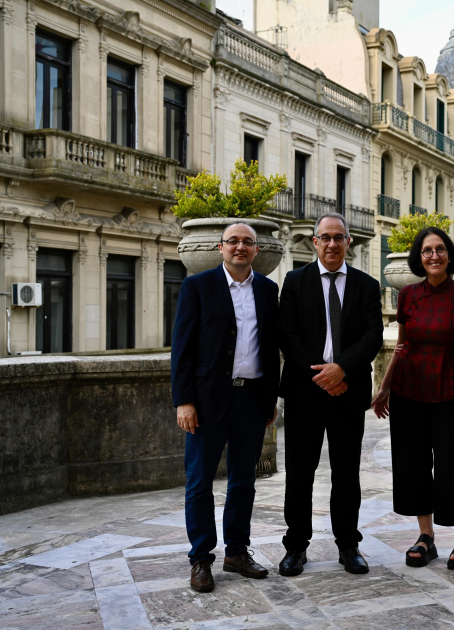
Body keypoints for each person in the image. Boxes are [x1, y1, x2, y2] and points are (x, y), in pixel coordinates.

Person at [170, 223, 280, 593]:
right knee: (199, 482)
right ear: (220, 248)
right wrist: (184, 400)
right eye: (233, 241)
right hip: (205, 401)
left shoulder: (267, 290)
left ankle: (236, 552)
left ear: (256, 250)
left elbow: (270, 348)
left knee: (244, 481)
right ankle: (201, 558)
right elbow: (182, 348)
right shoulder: (197, 286)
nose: (240, 247)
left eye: (247, 242)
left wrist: (270, 398)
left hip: (251, 398)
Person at [277, 213, 383, 576]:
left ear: (348, 242)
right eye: (326, 237)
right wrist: (324, 375)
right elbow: (287, 335)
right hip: (305, 391)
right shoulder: (294, 281)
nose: (333, 244)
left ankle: (348, 545)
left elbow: (372, 336)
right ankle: (296, 547)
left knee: (346, 473)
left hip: (348, 392)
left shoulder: (367, 286)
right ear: (315, 241)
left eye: (339, 237)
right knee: (299, 473)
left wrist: (343, 370)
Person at [372, 227, 454, 570]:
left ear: (450, 254)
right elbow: (401, 346)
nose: (434, 256)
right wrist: (385, 386)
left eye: (440, 249)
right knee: (413, 465)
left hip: (450, 391)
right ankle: (425, 536)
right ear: (419, 257)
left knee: (450, 465)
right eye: (427, 251)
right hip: (409, 391)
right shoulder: (408, 296)